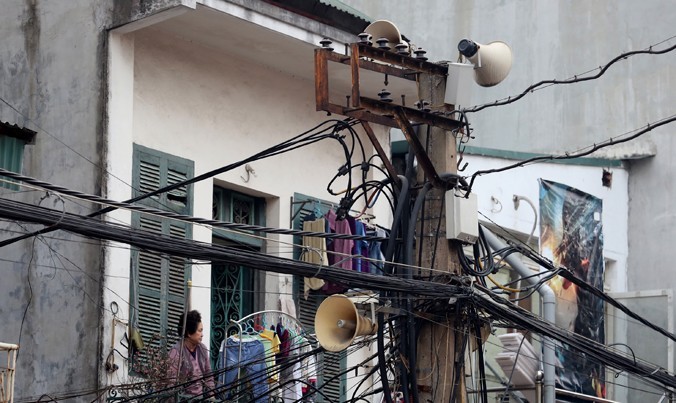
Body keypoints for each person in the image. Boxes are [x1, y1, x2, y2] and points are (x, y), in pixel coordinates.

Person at [167, 310, 216, 399]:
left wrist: (211, 397)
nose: (202, 335)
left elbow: (209, 376)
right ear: (189, 333)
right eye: (199, 331)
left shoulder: (203, 349)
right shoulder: (176, 351)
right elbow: (171, 382)